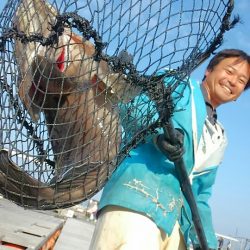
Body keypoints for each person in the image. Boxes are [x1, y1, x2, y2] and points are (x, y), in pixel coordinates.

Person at [89, 49, 250, 250]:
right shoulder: (177, 85)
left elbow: (200, 195)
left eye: (242, 80)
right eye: (230, 71)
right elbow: (131, 109)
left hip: (176, 230)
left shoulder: (220, 138)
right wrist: (158, 137)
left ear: (240, 94)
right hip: (138, 202)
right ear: (209, 70)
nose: (233, 81)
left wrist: (206, 243)